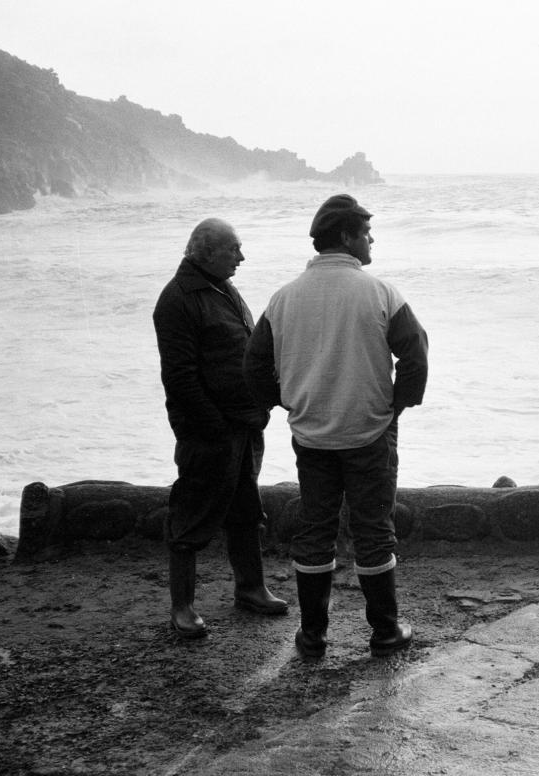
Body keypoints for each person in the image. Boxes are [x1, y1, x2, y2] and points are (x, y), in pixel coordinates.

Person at [244, 194, 428, 659]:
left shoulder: (283, 298)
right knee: (372, 528)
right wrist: (395, 406)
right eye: (366, 231)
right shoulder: (381, 293)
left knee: (316, 528)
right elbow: (415, 355)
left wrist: (286, 402)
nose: (372, 239)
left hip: (312, 433)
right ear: (346, 237)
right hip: (368, 431)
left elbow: (254, 366)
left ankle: (312, 636)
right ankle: (385, 632)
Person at [153, 217, 288, 639]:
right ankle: (183, 607)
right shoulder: (179, 298)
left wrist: (260, 405)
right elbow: (179, 377)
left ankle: (250, 588)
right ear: (205, 252)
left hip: (242, 423)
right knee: (192, 514)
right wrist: (211, 427)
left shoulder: (219, 287)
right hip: (209, 429)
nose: (241, 257)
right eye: (234, 249)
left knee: (246, 510)